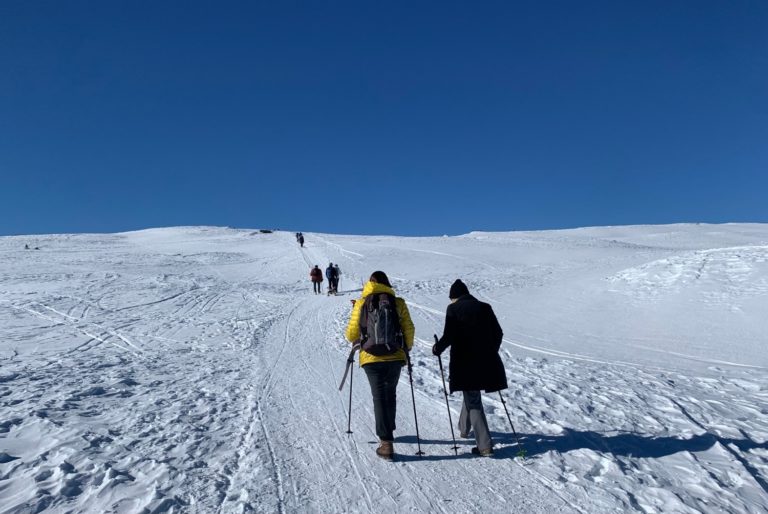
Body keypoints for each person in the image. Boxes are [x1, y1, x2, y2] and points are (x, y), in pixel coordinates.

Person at [432, 279, 507, 457]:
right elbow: (498, 333)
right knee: (471, 393)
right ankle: (464, 429)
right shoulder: (485, 307)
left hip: (465, 362)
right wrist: (490, 351)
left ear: (454, 297)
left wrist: (437, 349)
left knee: (473, 399)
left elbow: (449, 335)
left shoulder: (454, 309)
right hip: (487, 361)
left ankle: (485, 446)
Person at [345, 271, 415, 459]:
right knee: (390, 394)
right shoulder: (397, 302)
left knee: (379, 397)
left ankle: (386, 443)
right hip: (395, 355)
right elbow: (408, 327)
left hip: (370, 357)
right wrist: (406, 347)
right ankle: (388, 428)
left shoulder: (362, 302)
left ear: (370, 283)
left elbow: (351, 334)